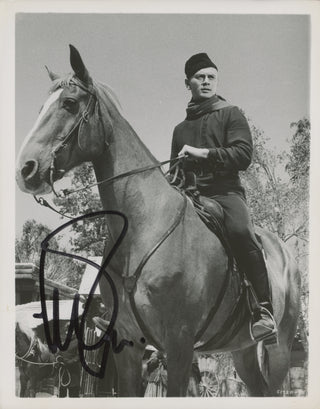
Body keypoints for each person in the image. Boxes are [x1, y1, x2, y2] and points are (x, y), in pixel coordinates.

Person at [170, 52, 276, 341]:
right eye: (199, 77)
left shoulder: (231, 113)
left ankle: (263, 309)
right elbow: (175, 172)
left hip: (226, 194)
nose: (206, 81)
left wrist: (202, 153)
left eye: (211, 77)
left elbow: (243, 156)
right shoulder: (180, 129)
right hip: (191, 196)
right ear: (187, 82)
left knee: (240, 231)